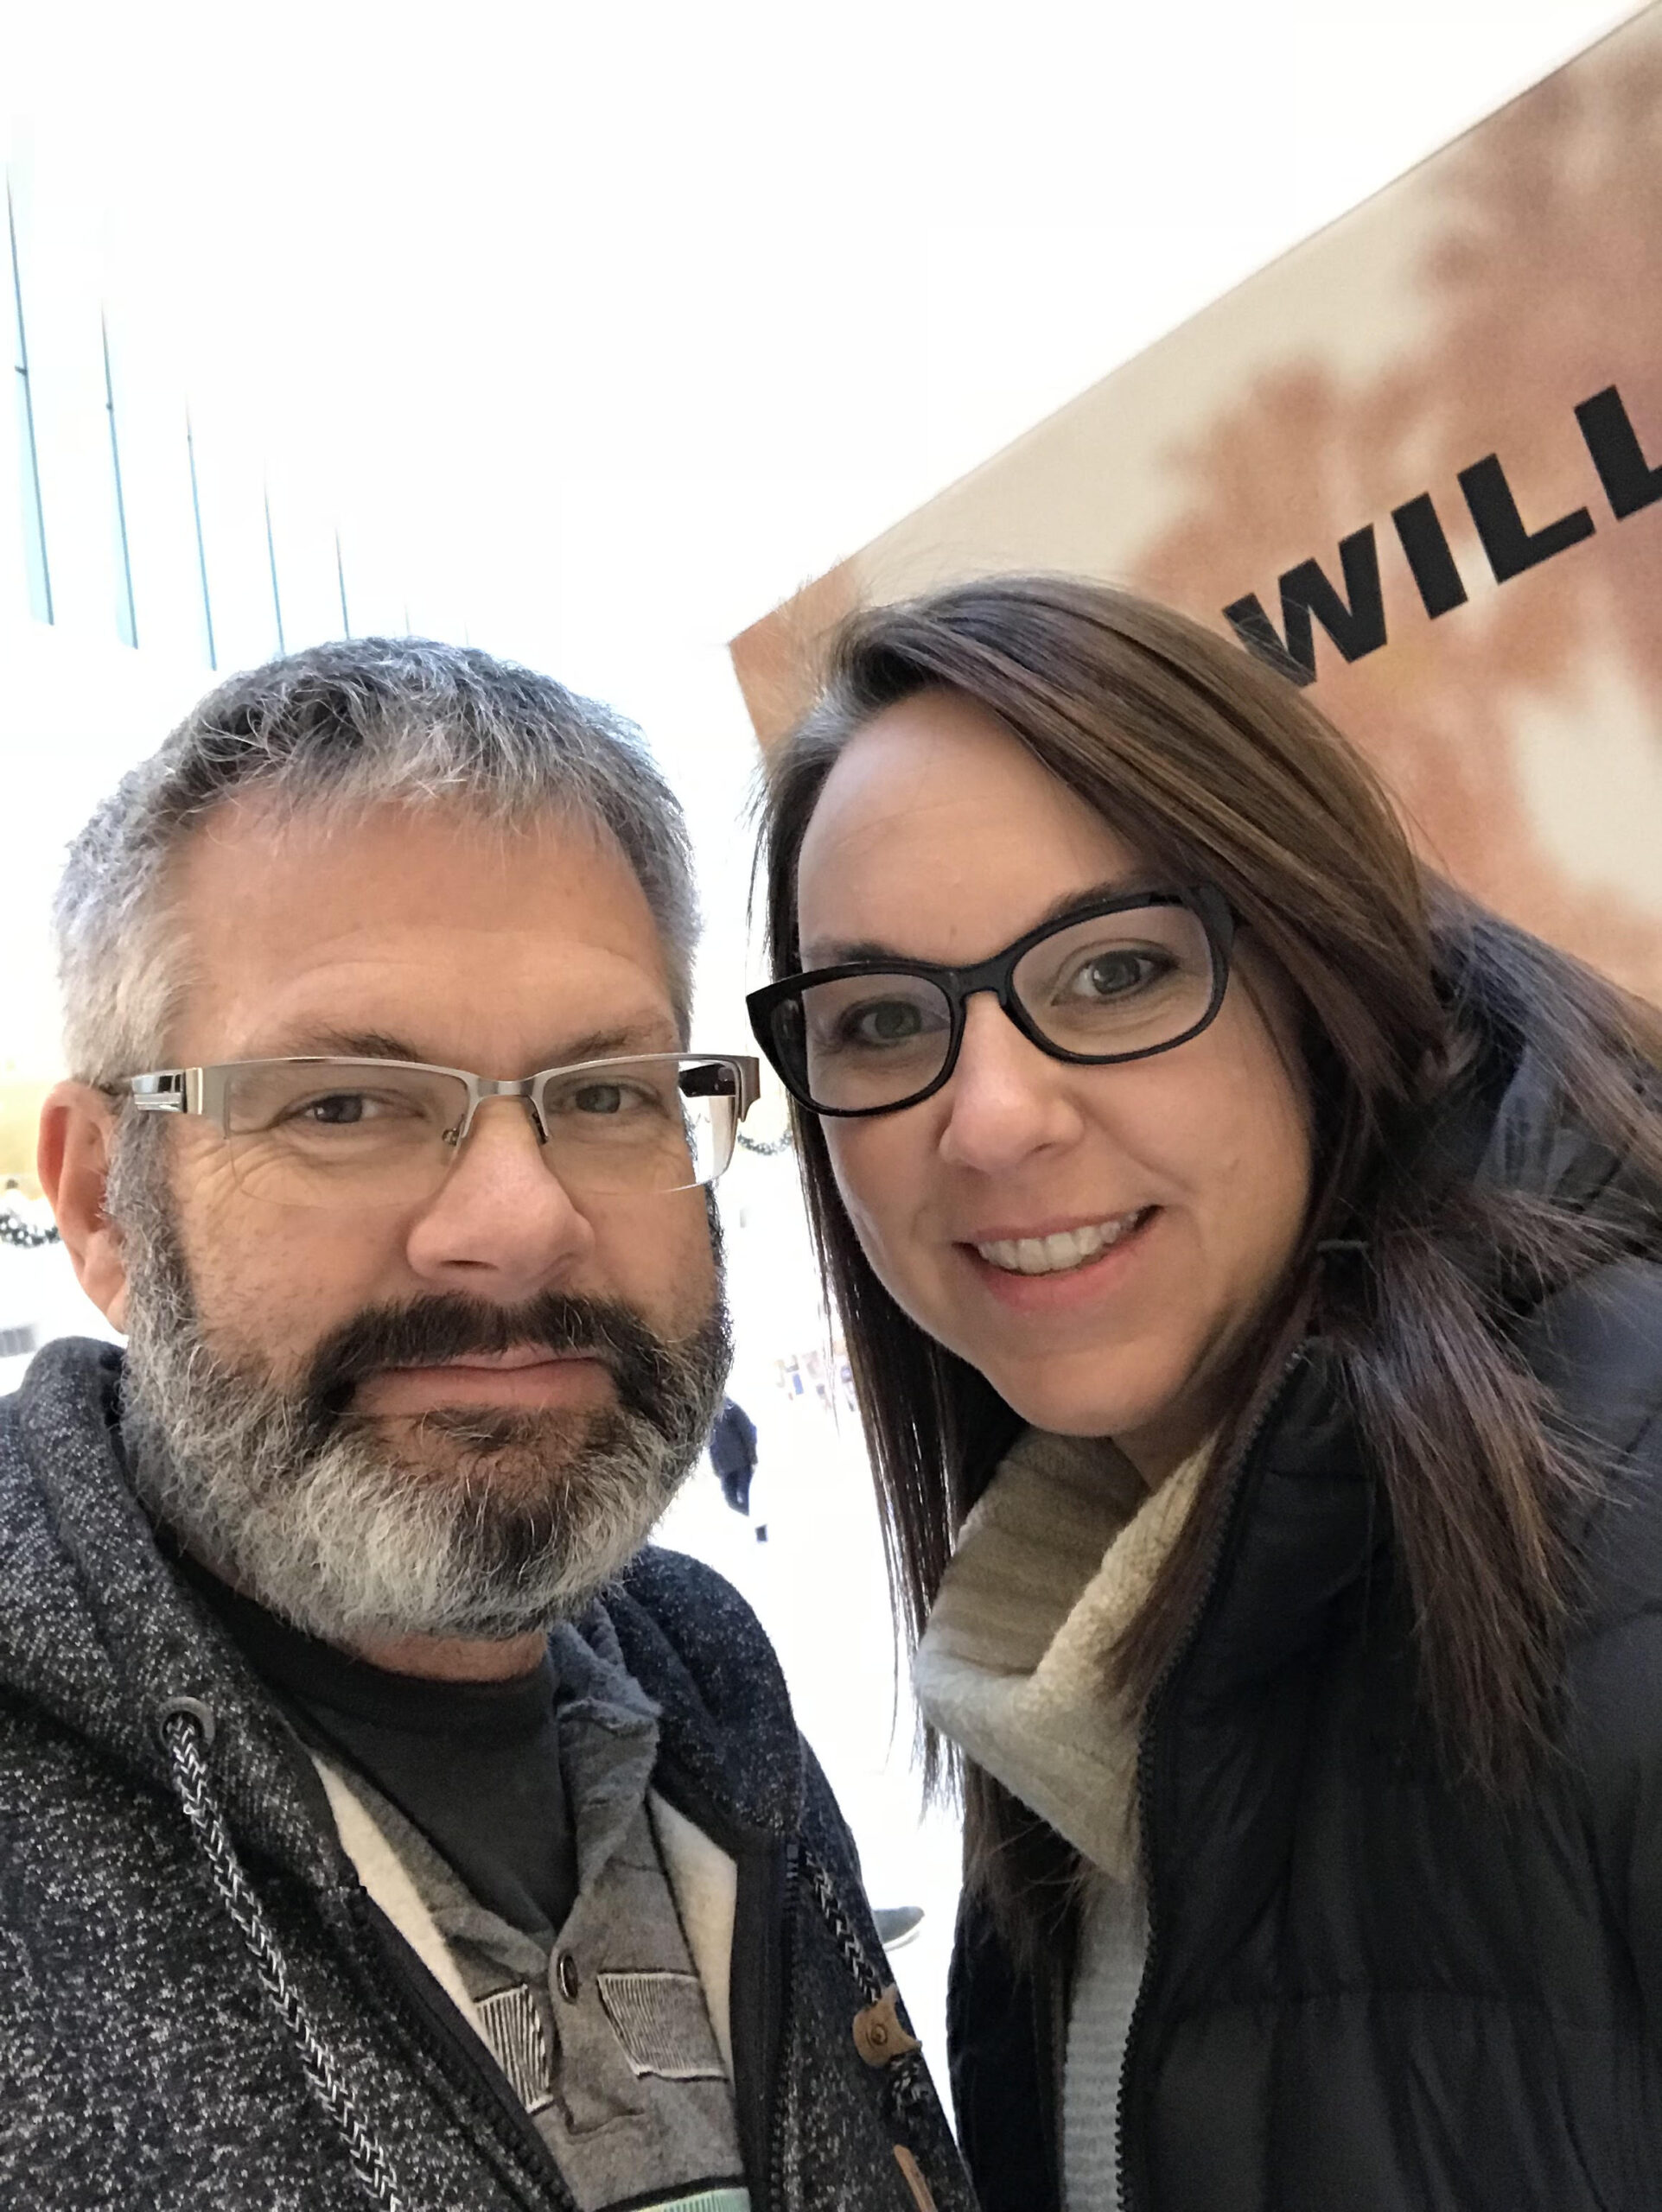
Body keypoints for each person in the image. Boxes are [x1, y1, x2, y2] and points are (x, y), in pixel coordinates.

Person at [0, 637, 969, 2212]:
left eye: (603, 1094)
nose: (518, 1226)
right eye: (342, 1103)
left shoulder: (705, 1691)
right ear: (107, 1200)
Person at [747, 574, 1662, 2212]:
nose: (990, 1120)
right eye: (881, 1020)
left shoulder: (1625, 1512)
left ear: (1316, 971)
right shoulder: (1070, 1670)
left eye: (1110, 973)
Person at [710, 1395, 760, 1516]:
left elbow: (747, 1431)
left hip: (742, 1463)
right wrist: (715, 1467)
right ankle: (755, 1517)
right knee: (731, 1501)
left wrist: (752, 1457)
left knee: (746, 1495)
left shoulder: (730, 1407)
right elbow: (710, 1445)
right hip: (725, 1468)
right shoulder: (708, 1416)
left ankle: (760, 1528)